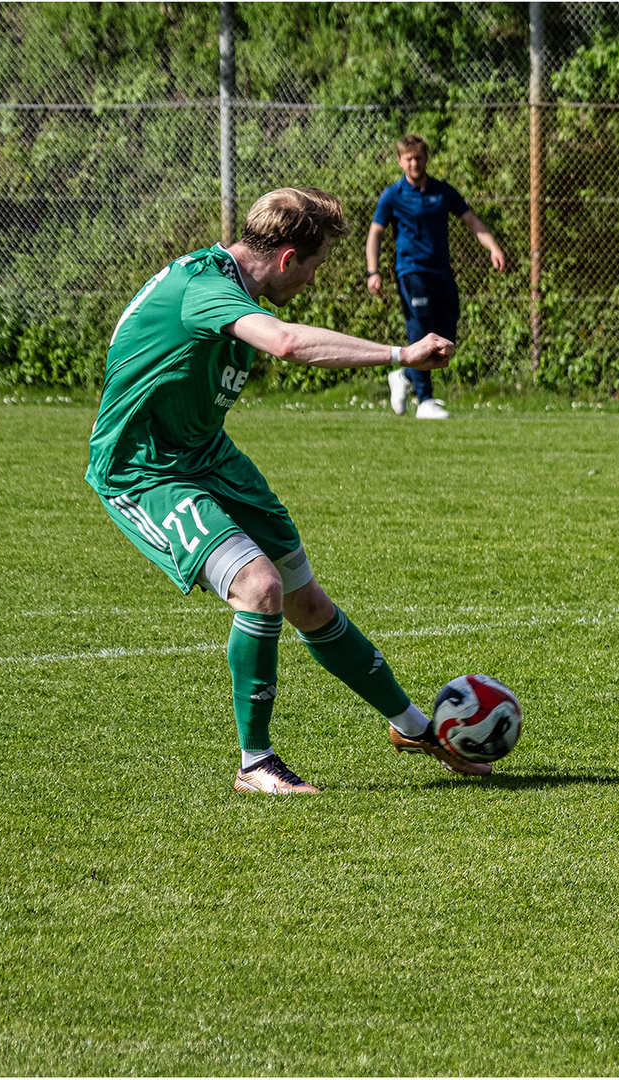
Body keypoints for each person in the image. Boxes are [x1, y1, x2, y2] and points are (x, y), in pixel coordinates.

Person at [86, 187, 492, 794]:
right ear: (286, 258)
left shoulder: (230, 282)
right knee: (260, 587)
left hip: (208, 454)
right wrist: (402, 353)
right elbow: (288, 343)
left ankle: (413, 728)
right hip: (146, 468)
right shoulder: (206, 286)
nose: (312, 279)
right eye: (316, 264)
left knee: (308, 603)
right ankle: (256, 764)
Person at [367, 133, 506, 421]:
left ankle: (404, 375)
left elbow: (471, 220)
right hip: (410, 273)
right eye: (409, 159)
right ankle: (425, 401)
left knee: (446, 341)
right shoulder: (392, 195)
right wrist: (373, 271)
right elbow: (375, 234)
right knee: (419, 335)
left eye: (418, 157)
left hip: (442, 274)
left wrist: (493, 247)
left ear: (426, 158)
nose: (414, 163)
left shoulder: (443, 192)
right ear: (400, 161)